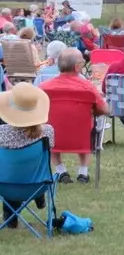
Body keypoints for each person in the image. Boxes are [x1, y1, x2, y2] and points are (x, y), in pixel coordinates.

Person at [39, 49, 109, 183]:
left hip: (54, 137)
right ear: (78, 66)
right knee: (87, 128)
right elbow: (105, 109)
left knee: (49, 129)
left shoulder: (44, 88)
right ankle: (83, 172)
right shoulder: (87, 87)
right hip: (81, 136)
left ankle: (60, 170)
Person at [0, 83, 55, 227]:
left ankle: (10, 217)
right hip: (38, 184)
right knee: (33, 163)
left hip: (4, 185)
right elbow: (50, 149)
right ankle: (39, 197)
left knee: (11, 169)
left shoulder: (2, 133)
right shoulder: (47, 132)